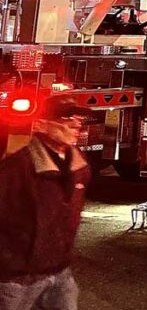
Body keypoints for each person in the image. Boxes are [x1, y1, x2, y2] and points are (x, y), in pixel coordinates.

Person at [0, 98, 92, 310]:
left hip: (59, 271)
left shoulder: (79, 166)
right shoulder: (18, 167)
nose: (76, 124)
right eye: (65, 118)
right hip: (18, 276)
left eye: (77, 118)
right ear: (41, 124)